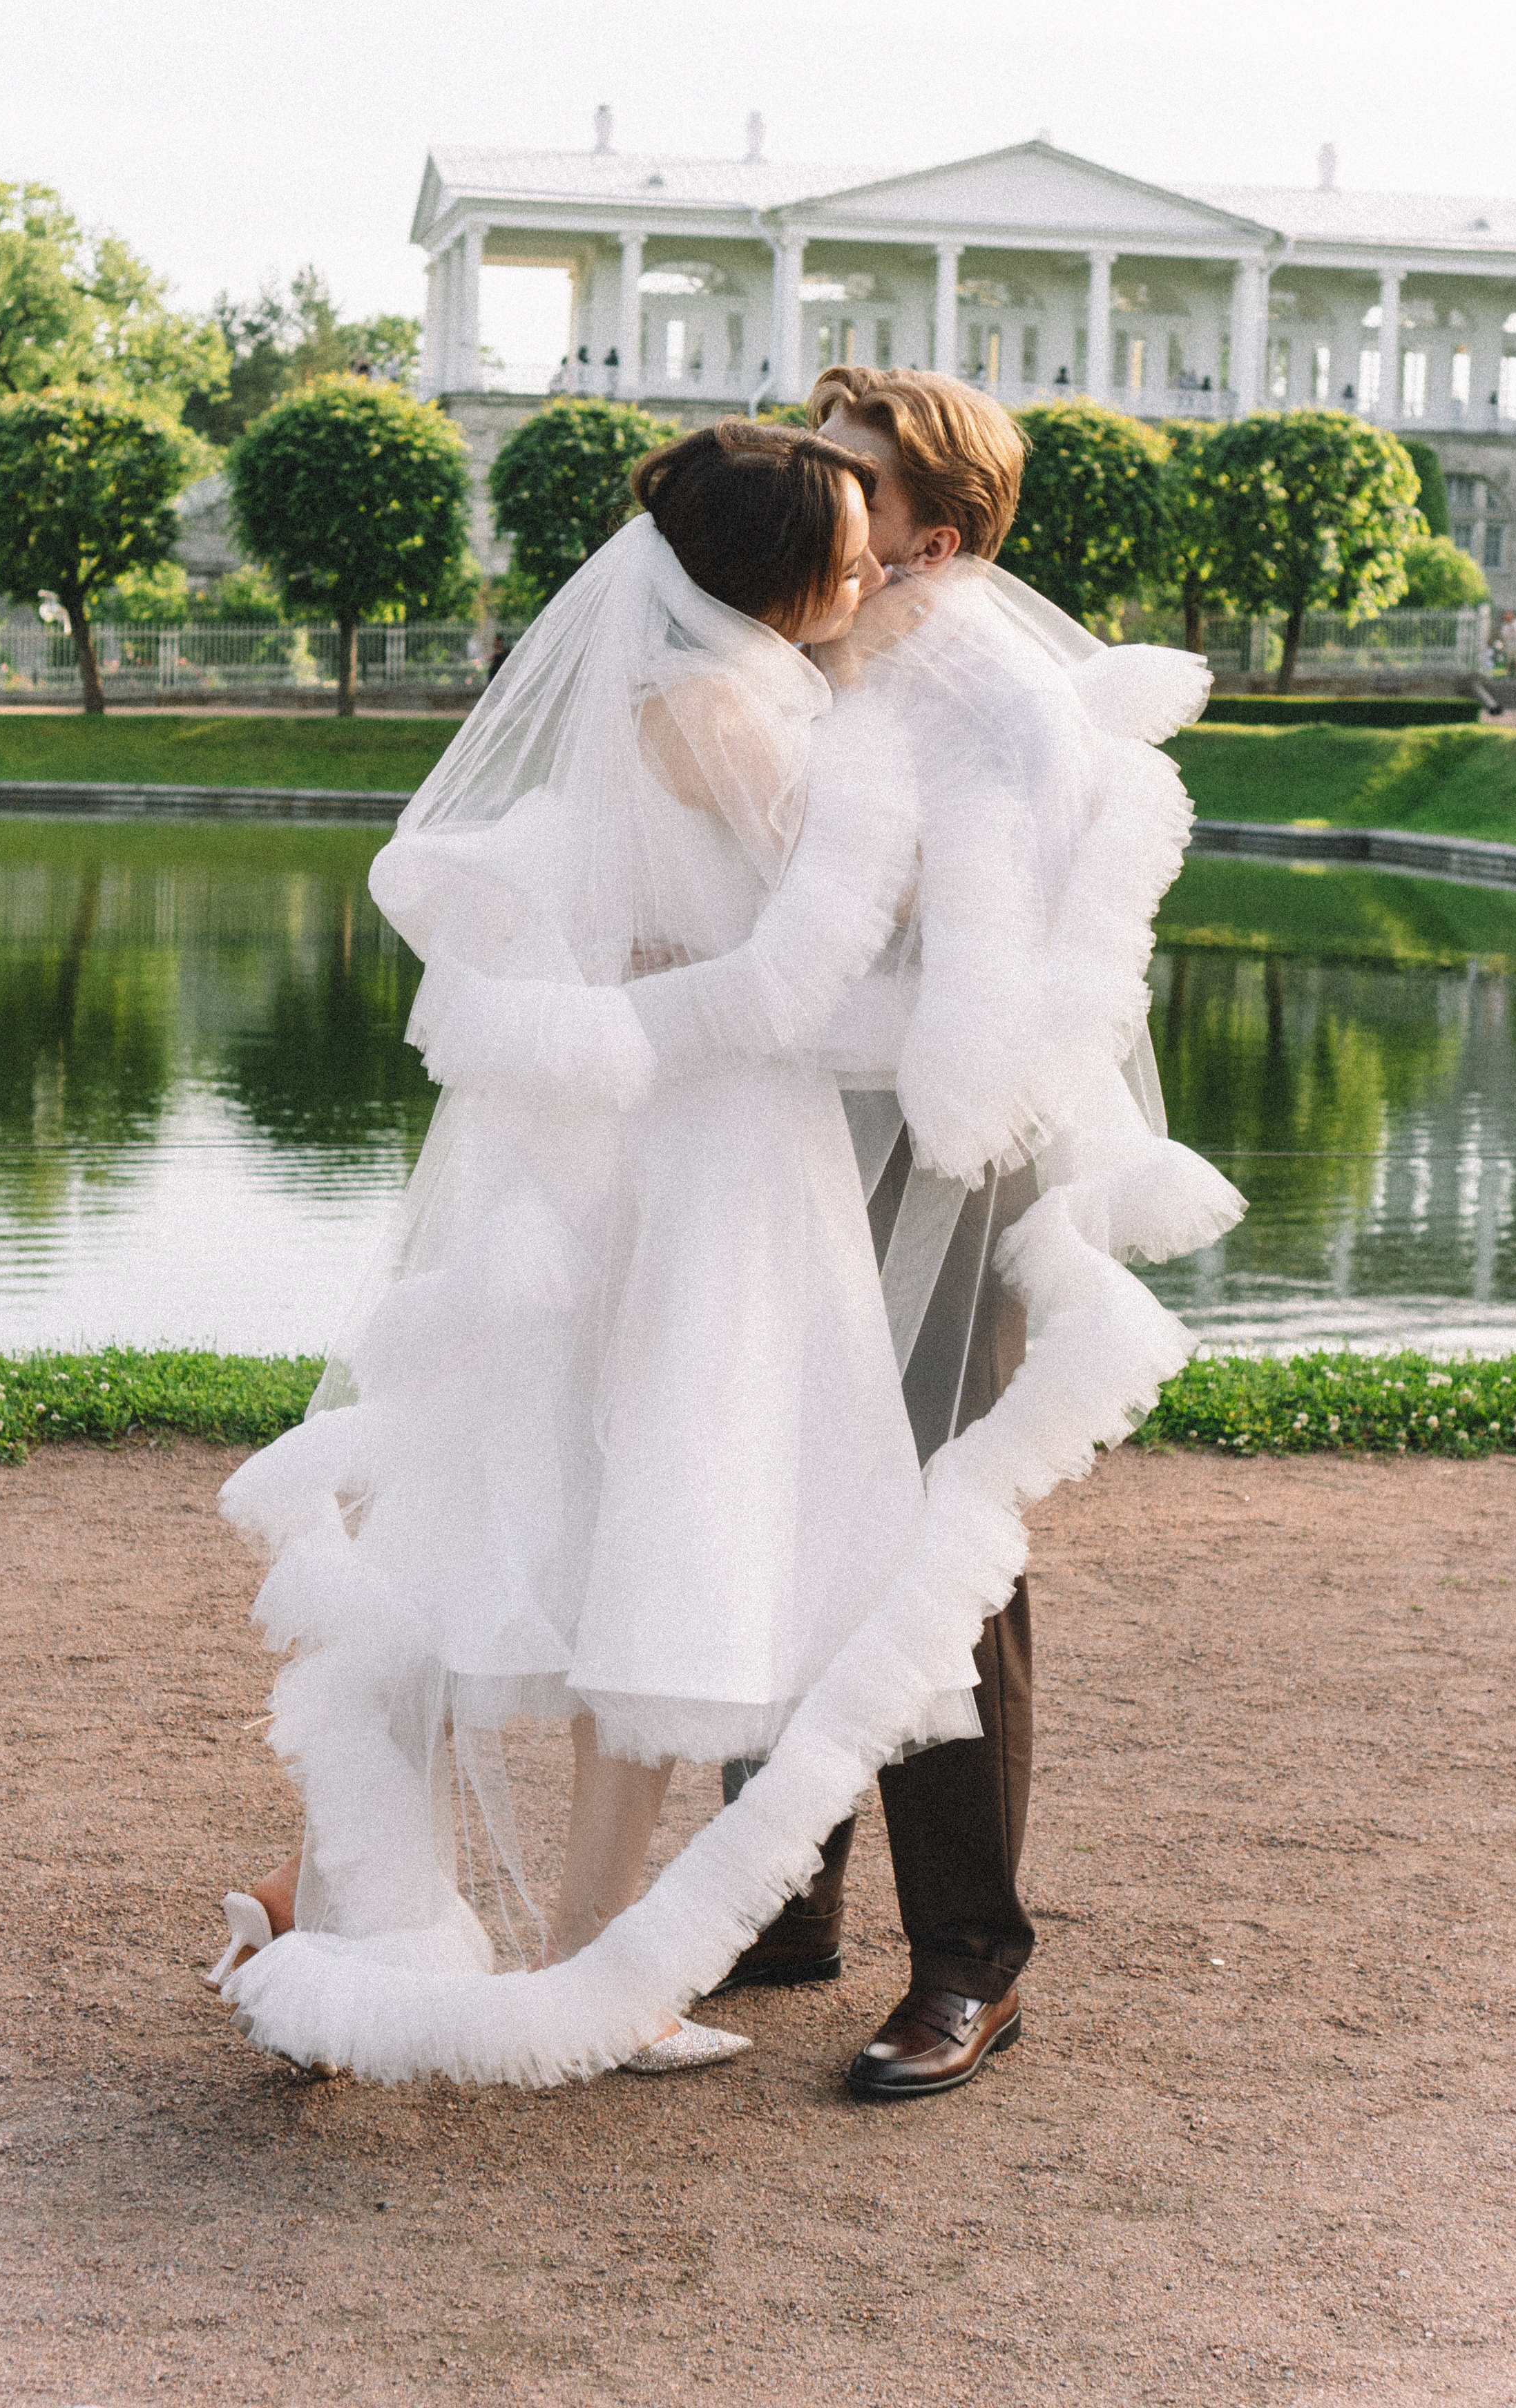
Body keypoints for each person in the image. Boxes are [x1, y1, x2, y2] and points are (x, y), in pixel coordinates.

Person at [209, 419, 990, 2083]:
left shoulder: (715, 688)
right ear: (778, 570)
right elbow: (846, 929)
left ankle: (455, 1933)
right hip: (698, 1163)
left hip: (677, 1142)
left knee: (616, 1540)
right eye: (845, 546)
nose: (869, 567)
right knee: (646, 1534)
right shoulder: (721, 712)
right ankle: (537, 1956)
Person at [710, 367, 1243, 2101]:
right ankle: (777, 1895)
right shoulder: (801, 649)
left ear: (933, 534)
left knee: (937, 1540)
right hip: (786, 1137)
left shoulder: (998, 704)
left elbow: (1008, 987)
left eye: (846, 473)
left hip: (943, 1155)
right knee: (769, 1502)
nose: (811, 487)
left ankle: (967, 1963)